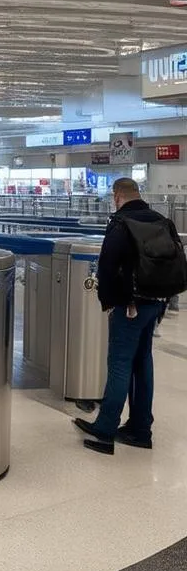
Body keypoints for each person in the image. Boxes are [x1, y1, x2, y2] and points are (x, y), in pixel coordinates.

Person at [74, 178, 187, 454]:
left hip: (130, 306)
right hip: (155, 304)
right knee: (143, 361)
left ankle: (106, 429)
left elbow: (107, 267)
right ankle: (140, 429)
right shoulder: (162, 221)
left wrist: (108, 302)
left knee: (120, 363)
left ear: (117, 196)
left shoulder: (121, 224)